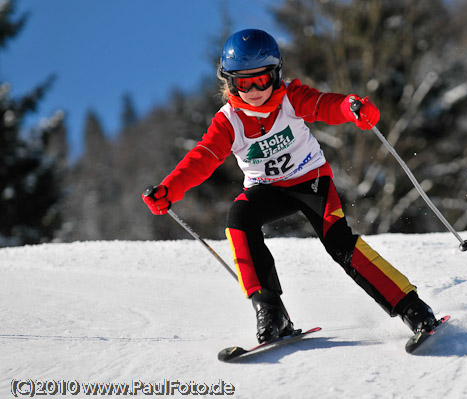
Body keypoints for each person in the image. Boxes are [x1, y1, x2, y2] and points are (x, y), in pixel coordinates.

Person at [143, 29, 438, 344]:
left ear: (276, 75)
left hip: (311, 181)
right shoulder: (228, 120)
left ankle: (412, 308)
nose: (255, 89)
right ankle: (271, 312)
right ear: (230, 82)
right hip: (267, 190)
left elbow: (324, 105)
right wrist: (170, 189)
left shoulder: (290, 98)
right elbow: (203, 157)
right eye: (244, 82)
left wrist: (352, 108)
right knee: (239, 218)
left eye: (263, 79)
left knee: (340, 244)